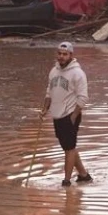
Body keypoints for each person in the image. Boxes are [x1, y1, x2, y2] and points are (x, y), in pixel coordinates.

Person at [40, 42, 92, 187]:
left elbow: (83, 98)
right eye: (59, 54)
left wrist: (73, 117)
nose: (61, 57)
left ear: (71, 55)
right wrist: (44, 109)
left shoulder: (78, 73)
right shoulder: (53, 71)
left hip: (70, 115)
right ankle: (84, 175)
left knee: (69, 148)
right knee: (69, 147)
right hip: (57, 115)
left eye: (65, 54)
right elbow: (48, 93)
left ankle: (66, 181)